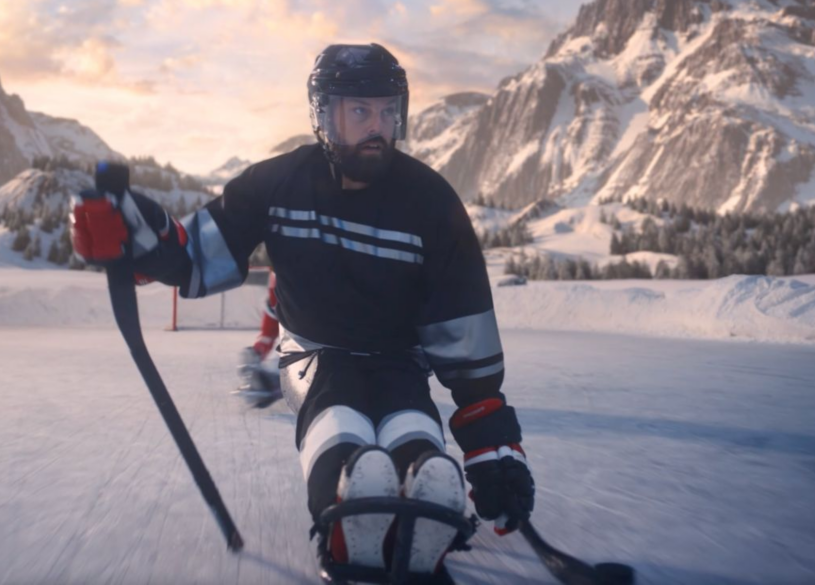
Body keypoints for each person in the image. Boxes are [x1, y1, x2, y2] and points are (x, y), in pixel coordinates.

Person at [71, 43, 534, 580]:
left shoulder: (432, 203)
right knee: (342, 424)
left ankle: (420, 515)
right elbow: (196, 259)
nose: (377, 126)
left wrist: (493, 449)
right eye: (360, 111)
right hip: (312, 357)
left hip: (399, 363)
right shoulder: (274, 184)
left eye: (387, 111)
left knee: (418, 444)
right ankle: (348, 520)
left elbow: (463, 331)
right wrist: (139, 237)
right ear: (323, 115)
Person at [233, 271, 283, 408]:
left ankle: (275, 377)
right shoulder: (278, 282)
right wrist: (259, 350)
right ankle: (273, 377)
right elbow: (271, 328)